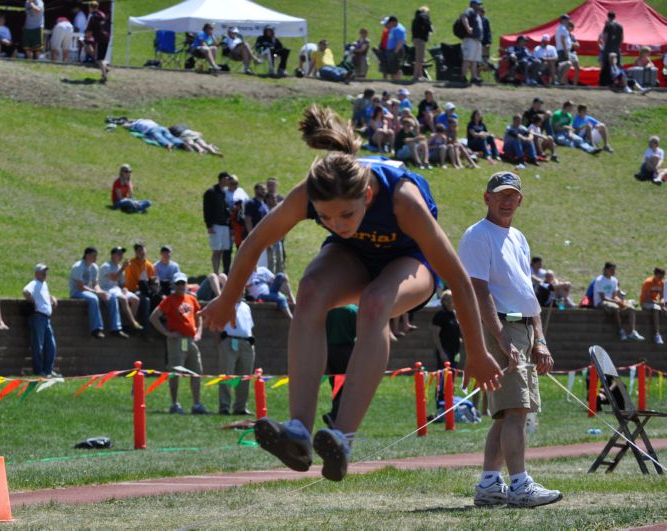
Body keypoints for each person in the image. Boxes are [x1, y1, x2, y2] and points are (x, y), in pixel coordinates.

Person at [201, 104, 503, 482]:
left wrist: (476, 351)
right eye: (325, 218)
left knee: (376, 303)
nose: (336, 224)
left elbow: (458, 279)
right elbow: (257, 240)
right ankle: (298, 430)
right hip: (355, 258)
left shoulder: (401, 198)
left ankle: (342, 438)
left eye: (346, 215)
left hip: (411, 262)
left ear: (368, 197)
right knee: (310, 292)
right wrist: (229, 297)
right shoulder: (311, 194)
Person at [458, 171, 562, 508]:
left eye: (512, 195)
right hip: (500, 328)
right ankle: (519, 485)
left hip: (522, 327)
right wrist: (501, 338)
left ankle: (490, 483)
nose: (506, 200)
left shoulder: (518, 237)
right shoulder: (477, 235)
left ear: (520, 200)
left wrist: (540, 338)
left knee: (507, 413)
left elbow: (527, 293)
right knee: (516, 410)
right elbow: (478, 289)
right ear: (486, 198)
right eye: (500, 194)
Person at [150, 272, 208, 415]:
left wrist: (199, 332)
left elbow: (199, 316)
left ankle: (197, 404)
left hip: (191, 340)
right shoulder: (169, 300)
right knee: (175, 372)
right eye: (178, 283)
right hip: (176, 341)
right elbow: (154, 317)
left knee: (196, 372)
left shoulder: (191, 299)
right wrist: (167, 333)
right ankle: (175, 404)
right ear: (174, 285)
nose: (181, 286)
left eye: (183, 283)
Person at [69, 246, 126, 339]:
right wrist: (96, 293)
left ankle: (116, 328)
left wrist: (100, 292)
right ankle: (96, 329)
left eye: (96, 256)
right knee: (93, 298)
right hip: (76, 292)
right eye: (94, 255)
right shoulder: (78, 266)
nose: (96, 258)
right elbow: (80, 286)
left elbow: (95, 284)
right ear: (87, 255)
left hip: (88, 291)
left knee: (111, 297)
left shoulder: (94, 267)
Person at [217, 298, 255, 415]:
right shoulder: (225, 303)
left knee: (245, 377)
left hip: (246, 343)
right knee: (227, 375)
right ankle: (224, 407)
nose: (242, 289)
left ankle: (241, 407)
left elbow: (250, 326)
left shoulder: (246, 306)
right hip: (229, 341)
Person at [322, 305, 357, 429]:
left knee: (335, 387)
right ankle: (335, 416)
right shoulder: (353, 310)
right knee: (347, 388)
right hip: (346, 351)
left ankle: (335, 418)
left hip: (328, 350)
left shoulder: (328, 309)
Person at [592, 262, 645, 342]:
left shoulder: (614, 280)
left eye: (614, 270)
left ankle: (632, 332)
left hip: (611, 301)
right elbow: (603, 298)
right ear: (605, 270)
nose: (613, 271)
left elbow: (614, 296)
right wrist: (617, 303)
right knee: (616, 307)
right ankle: (621, 331)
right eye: (611, 269)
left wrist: (621, 302)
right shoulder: (599, 280)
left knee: (630, 308)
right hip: (600, 302)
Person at [23, 263, 58, 377]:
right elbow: (25, 291)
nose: (45, 274)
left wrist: (51, 297)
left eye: (45, 272)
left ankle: (48, 370)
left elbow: (43, 295)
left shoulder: (44, 284)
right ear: (36, 273)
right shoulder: (34, 283)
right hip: (37, 317)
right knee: (38, 345)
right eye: (42, 272)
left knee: (51, 345)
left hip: (46, 318)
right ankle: (39, 371)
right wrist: (33, 302)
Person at [98, 246, 142, 331]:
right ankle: (133, 322)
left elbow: (121, 283)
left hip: (116, 289)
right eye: (119, 254)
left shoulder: (120, 267)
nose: (121, 256)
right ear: (112, 255)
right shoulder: (106, 266)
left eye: (122, 254)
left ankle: (127, 324)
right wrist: (123, 268)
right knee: (124, 299)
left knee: (136, 299)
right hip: (106, 289)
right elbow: (114, 278)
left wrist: (124, 288)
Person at [203, 172, 230, 274]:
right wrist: (209, 225)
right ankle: (215, 272)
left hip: (224, 225)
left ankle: (221, 272)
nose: (228, 181)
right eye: (227, 179)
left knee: (223, 250)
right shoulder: (211, 192)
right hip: (216, 224)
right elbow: (206, 209)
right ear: (222, 179)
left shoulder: (224, 193)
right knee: (216, 250)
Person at [431, 289, 461, 372]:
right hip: (445, 349)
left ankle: (451, 385)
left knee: (453, 372)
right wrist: (441, 352)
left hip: (456, 350)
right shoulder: (440, 315)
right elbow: (435, 335)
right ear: (443, 301)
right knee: (443, 373)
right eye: (448, 299)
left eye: (452, 298)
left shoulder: (455, 314)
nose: (450, 301)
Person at [84, 1, 110, 82]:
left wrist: (86, 37)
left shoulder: (93, 17)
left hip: (100, 38)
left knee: (99, 59)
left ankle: (104, 77)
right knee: (101, 57)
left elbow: (89, 31)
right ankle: (105, 68)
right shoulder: (102, 14)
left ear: (91, 7)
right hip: (106, 37)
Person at [460, 0, 484, 85]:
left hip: (476, 40)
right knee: (467, 59)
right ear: (473, 4)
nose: (480, 5)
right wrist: (468, 27)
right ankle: (463, 76)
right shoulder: (469, 10)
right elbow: (463, 16)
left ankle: (474, 77)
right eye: (478, 4)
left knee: (474, 60)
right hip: (470, 39)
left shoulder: (476, 13)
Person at [640, 268, 666, 345]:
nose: (661, 278)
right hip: (645, 303)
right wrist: (658, 304)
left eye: (662, 277)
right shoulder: (648, 282)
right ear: (656, 274)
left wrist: (662, 303)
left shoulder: (661, 283)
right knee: (656, 308)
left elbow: (662, 297)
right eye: (660, 276)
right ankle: (657, 334)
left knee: (663, 309)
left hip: (655, 303)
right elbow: (646, 298)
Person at [377, 15, 405, 81]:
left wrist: (396, 51)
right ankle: (393, 80)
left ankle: (397, 81)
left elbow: (400, 41)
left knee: (395, 67)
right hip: (390, 50)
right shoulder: (393, 28)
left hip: (395, 50)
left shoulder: (399, 29)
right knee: (391, 67)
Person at [555, 15, 579, 86]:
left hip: (561, 49)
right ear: (563, 20)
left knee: (564, 65)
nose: (568, 21)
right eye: (567, 20)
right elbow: (563, 40)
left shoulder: (559, 28)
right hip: (563, 50)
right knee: (566, 64)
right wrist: (566, 52)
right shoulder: (563, 29)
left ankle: (561, 81)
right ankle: (561, 81)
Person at [411, 7, 433, 81]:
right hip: (420, 39)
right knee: (419, 58)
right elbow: (428, 25)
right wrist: (430, 29)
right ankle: (416, 76)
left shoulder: (416, 18)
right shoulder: (424, 16)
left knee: (420, 58)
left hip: (415, 39)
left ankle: (420, 75)